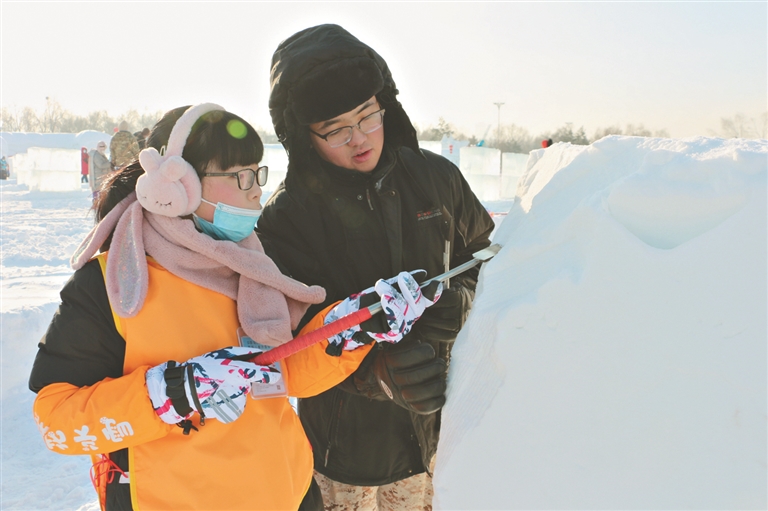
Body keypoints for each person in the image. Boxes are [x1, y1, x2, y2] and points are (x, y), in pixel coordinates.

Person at [29, 104, 440, 511]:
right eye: (241, 176)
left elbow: (284, 372)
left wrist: (352, 327)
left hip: (289, 495)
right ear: (179, 184)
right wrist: (173, 392)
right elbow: (56, 421)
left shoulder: (253, 264)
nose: (257, 188)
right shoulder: (113, 283)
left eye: (258, 172)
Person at [259, 24, 495, 510]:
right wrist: (374, 372)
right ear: (304, 136)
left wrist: (462, 299)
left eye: (368, 116)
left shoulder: (437, 178)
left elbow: (487, 256)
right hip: (341, 454)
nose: (359, 138)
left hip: (434, 436)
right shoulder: (287, 219)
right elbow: (289, 340)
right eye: (336, 130)